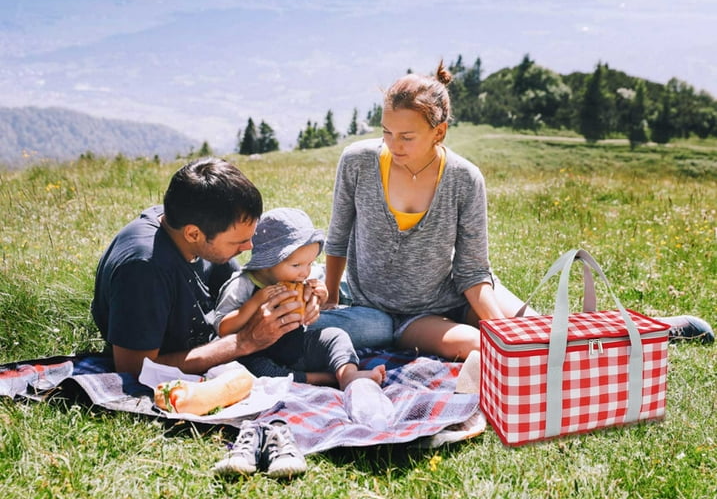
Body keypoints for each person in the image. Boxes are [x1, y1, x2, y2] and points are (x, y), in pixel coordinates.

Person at [313, 61, 714, 358]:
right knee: (485, 347)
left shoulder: (465, 179)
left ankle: (653, 330)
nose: (392, 144)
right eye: (385, 132)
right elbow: (339, 237)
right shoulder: (358, 161)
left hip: (458, 291)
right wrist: (331, 298)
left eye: (406, 136)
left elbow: (472, 271)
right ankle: (573, 343)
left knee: (541, 337)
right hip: (404, 317)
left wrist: (505, 328)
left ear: (439, 131)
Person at [92, 158, 319, 378]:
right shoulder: (145, 270)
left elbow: (242, 298)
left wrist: (304, 299)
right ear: (193, 234)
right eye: (237, 241)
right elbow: (134, 369)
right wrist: (244, 343)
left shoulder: (191, 220)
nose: (248, 247)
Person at [214, 207, 386, 388]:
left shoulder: (294, 279)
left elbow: (310, 309)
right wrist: (255, 302)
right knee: (261, 372)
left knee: (336, 335)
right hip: (259, 354)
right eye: (297, 265)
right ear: (266, 263)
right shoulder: (242, 285)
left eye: (310, 263)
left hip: (298, 346)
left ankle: (347, 374)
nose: (305, 272)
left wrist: (320, 296)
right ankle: (324, 379)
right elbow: (222, 328)